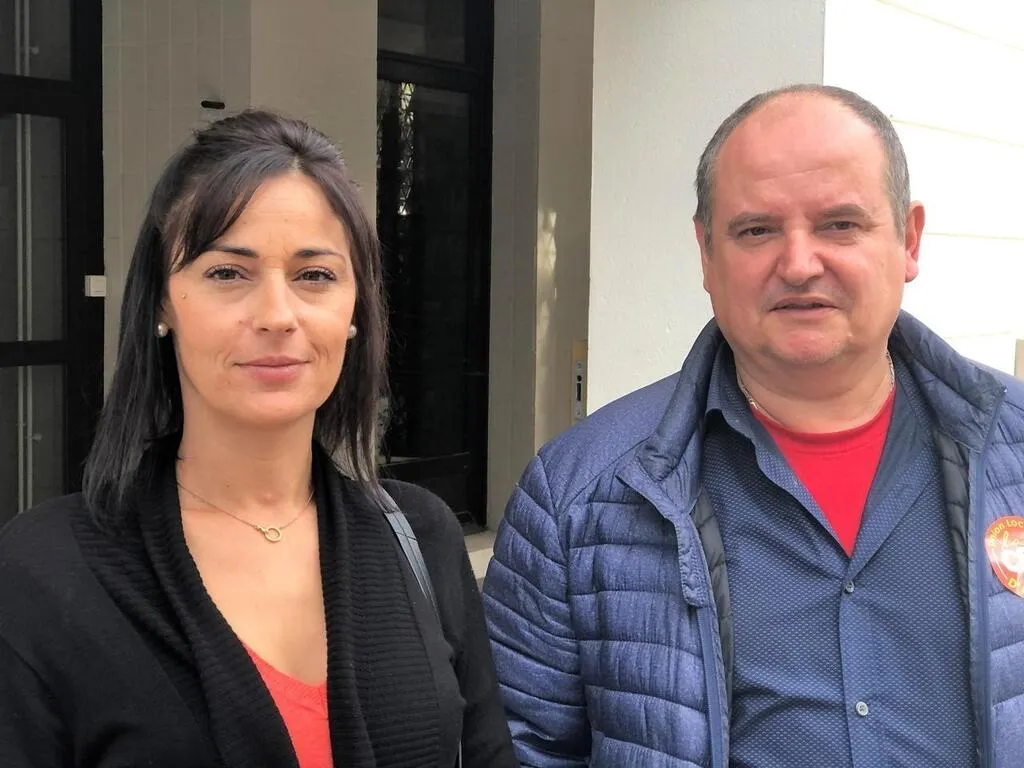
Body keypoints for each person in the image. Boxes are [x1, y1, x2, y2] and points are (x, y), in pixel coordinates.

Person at [482, 84, 1024, 767]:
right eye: (756, 231)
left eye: (840, 224)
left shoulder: (1013, 448)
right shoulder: (573, 497)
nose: (798, 265)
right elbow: (521, 751)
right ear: (706, 253)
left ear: (908, 239)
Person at [0, 110, 517, 768]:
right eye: (227, 273)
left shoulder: (419, 536)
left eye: (315, 275)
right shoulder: (46, 570)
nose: (276, 315)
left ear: (355, 308)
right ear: (162, 302)